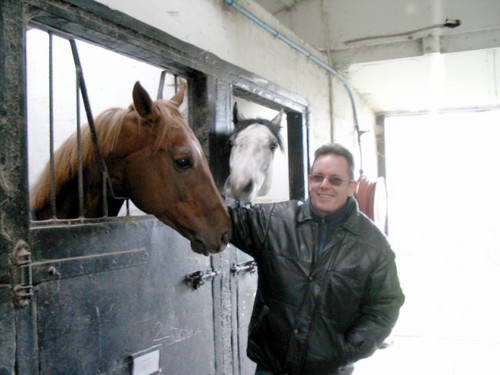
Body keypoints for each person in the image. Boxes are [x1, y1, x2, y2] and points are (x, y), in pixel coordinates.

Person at [227, 143, 405, 375]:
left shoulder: (374, 246)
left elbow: (385, 306)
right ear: (310, 180)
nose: (324, 185)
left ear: (351, 187)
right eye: (318, 177)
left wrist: (347, 350)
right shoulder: (273, 221)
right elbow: (222, 219)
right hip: (271, 367)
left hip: (328, 370)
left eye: (335, 180)